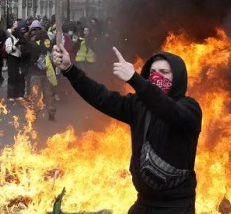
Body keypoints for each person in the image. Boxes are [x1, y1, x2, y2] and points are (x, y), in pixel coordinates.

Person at [53, 46, 202, 213]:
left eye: (164, 72)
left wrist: (134, 79)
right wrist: (70, 70)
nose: (157, 76)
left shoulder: (190, 108)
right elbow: (101, 97)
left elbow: (168, 110)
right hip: (144, 203)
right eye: (152, 72)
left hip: (176, 207)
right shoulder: (138, 105)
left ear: (178, 77)